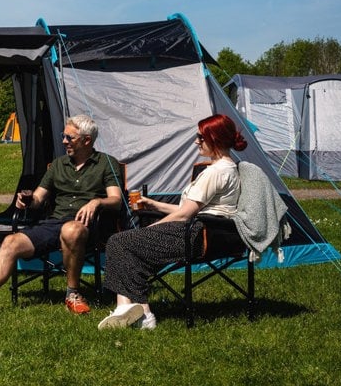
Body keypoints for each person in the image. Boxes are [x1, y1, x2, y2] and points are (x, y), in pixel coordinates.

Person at [0, 114, 124, 317]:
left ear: (86, 140)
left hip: (89, 226)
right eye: (63, 136)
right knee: (11, 241)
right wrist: (27, 200)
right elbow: (39, 198)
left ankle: (73, 294)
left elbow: (116, 199)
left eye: (69, 137)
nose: (64, 141)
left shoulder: (105, 163)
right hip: (54, 223)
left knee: (71, 229)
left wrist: (96, 202)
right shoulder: (58, 165)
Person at [98, 113, 248, 330]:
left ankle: (141, 313)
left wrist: (152, 228)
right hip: (205, 230)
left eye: (200, 137)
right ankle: (127, 308)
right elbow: (190, 209)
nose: (196, 141)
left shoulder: (215, 172)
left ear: (214, 138)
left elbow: (185, 215)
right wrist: (154, 205)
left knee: (122, 242)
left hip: (197, 236)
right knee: (126, 243)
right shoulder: (226, 168)